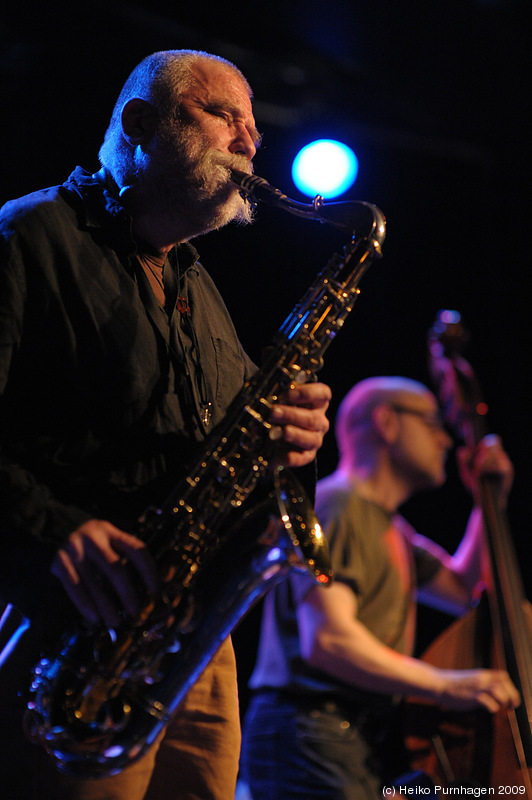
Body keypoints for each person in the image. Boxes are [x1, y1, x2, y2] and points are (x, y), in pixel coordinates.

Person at [0, 49, 331, 800]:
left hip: (193, 649)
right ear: (140, 124)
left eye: (255, 126)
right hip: (68, 632)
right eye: (224, 115)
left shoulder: (200, 290)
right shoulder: (29, 237)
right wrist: (53, 529)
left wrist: (291, 446)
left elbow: (238, 473)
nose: (252, 140)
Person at [240, 375, 520, 800]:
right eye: (431, 422)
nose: (445, 441)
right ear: (387, 423)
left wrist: (489, 500)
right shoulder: (339, 505)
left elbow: (465, 589)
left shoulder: (393, 530)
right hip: (310, 730)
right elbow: (330, 640)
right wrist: (446, 685)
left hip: (341, 736)